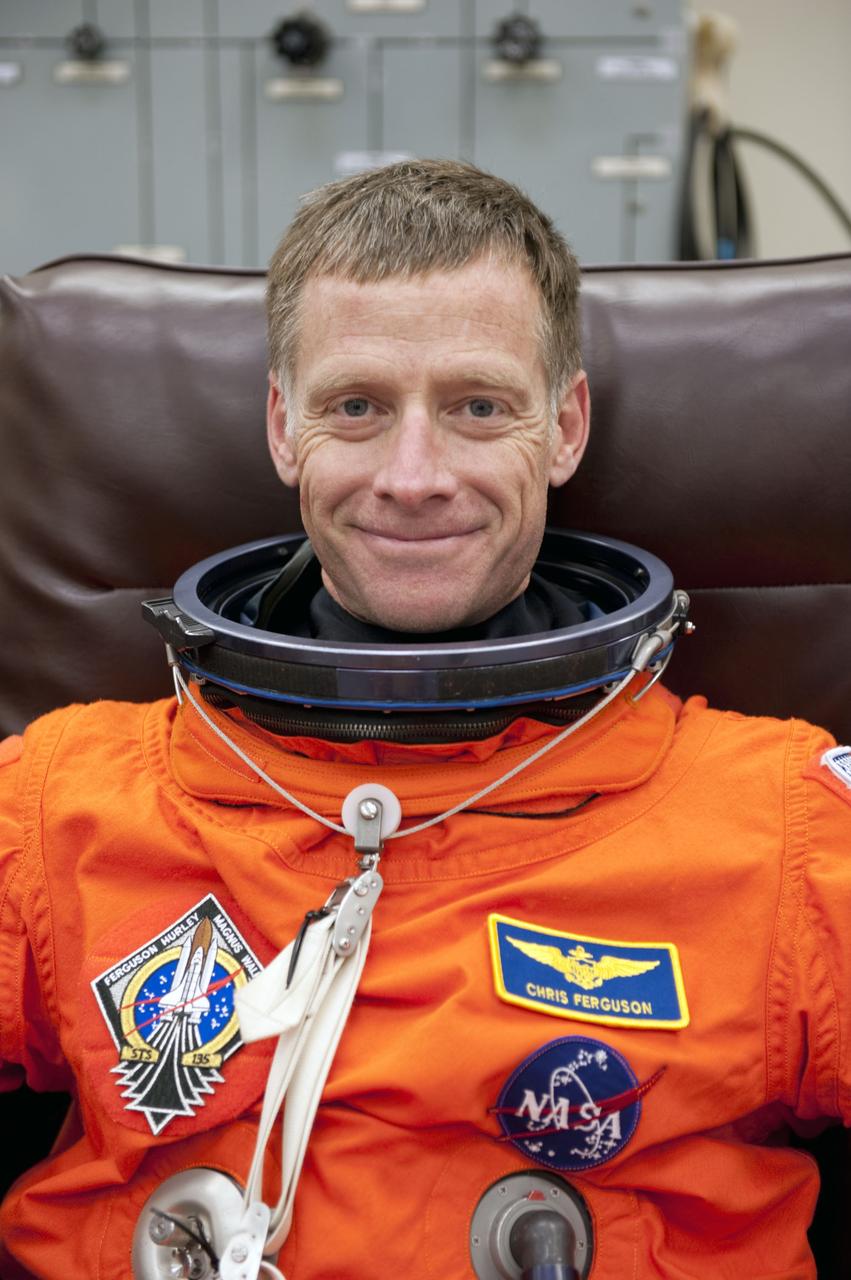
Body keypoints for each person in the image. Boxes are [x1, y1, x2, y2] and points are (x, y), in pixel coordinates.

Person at [1, 159, 850, 1280]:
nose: (413, 476)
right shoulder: (63, 796)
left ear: (563, 426)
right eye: (356, 406)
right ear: (281, 428)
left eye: (477, 407)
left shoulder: (781, 822)